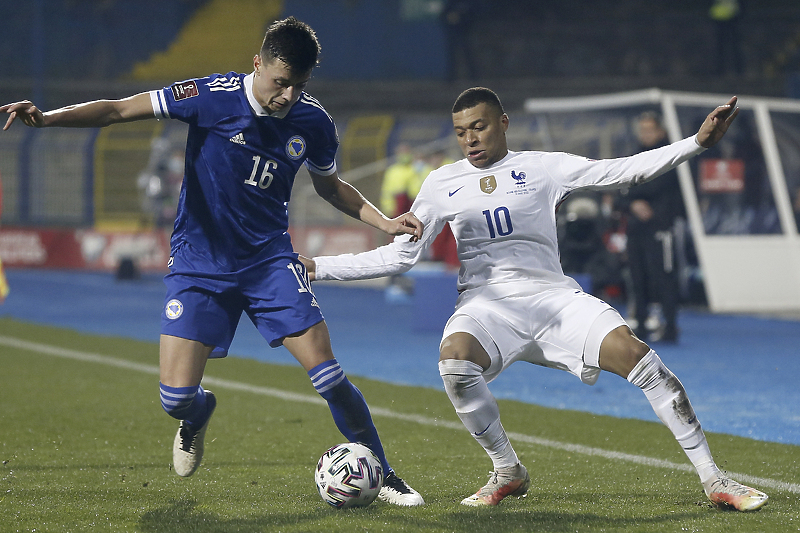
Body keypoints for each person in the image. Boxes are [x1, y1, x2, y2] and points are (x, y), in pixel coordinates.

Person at [1, 17, 425, 506]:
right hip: (199, 263)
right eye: (280, 82)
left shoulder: (314, 121)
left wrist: (383, 221)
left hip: (269, 261)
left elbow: (330, 187)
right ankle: (197, 416)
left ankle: (385, 473)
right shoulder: (209, 95)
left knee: (328, 374)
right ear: (257, 64)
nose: (287, 96)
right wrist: (49, 118)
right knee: (175, 399)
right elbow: (119, 110)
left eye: (299, 86)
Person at [302, 88, 769, 511]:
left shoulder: (544, 167)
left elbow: (621, 170)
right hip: (487, 307)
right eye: (461, 131)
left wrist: (696, 144)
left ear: (503, 122)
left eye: (479, 127)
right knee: (454, 363)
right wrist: (320, 268)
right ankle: (507, 470)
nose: (470, 139)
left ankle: (715, 479)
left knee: (642, 361)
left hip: (554, 299)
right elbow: (401, 256)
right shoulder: (442, 182)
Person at [623, 112, 685, 343]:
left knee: (664, 277)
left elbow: (659, 186)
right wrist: (632, 203)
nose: (645, 135)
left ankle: (670, 326)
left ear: (661, 132)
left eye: (650, 130)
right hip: (636, 228)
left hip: (661, 226)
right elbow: (620, 187)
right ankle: (640, 323)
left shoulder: (670, 155)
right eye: (643, 130)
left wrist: (635, 197)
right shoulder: (634, 155)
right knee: (637, 277)